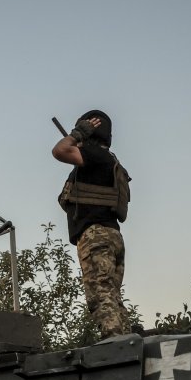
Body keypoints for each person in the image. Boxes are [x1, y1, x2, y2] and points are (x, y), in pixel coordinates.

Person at [52, 109, 131, 339]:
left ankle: (115, 344)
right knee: (111, 295)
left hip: (96, 235)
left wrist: (77, 134)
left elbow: (60, 150)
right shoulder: (110, 161)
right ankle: (124, 339)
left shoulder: (96, 156)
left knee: (100, 294)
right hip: (111, 236)